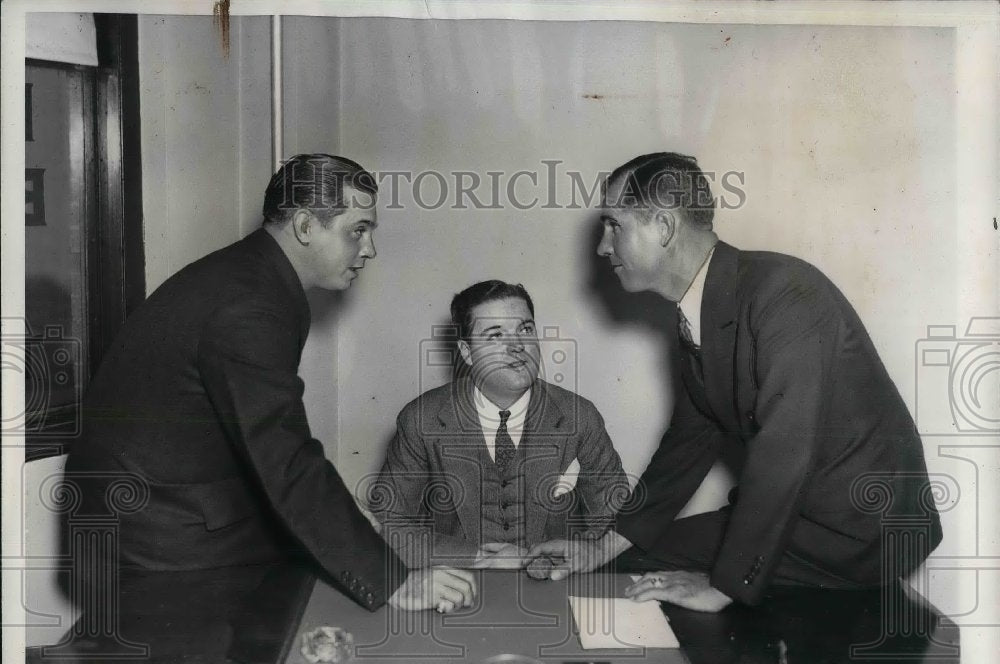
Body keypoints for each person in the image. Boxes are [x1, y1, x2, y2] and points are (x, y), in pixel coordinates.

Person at [527, 152, 941, 612]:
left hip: (860, 535)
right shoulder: (702, 306)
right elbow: (690, 439)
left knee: (689, 590)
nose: (604, 247)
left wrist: (722, 586)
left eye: (614, 225)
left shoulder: (786, 293)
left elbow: (787, 446)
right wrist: (602, 546)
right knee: (630, 560)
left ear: (663, 227)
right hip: (801, 522)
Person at [64, 154, 475, 613]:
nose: (370, 248)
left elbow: (260, 442)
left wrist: (350, 528)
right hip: (153, 531)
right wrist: (394, 582)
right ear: (304, 226)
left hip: (165, 508)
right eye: (357, 229)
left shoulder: (253, 277)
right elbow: (283, 453)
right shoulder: (250, 305)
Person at [369, 280, 630, 571]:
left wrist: (582, 554)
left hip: (555, 584)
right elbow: (386, 524)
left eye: (525, 329)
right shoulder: (422, 419)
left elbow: (619, 522)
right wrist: (481, 557)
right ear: (467, 352)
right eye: (495, 336)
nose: (517, 346)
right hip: (455, 581)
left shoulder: (579, 417)